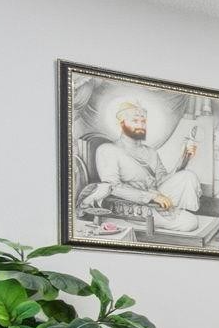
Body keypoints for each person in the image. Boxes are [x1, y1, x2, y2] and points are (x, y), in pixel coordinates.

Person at [83, 100, 206, 233]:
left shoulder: (151, 152)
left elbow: (162, 180)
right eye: (135, 121)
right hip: (134, 205)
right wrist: (152, 197)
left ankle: (172, 211)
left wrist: (184, 158)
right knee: (190, 222)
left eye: (143, 121)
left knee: (188, 176)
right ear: (122, 123)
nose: (141, 125)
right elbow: (112, 187)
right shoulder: (108, 150)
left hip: (157, 199)